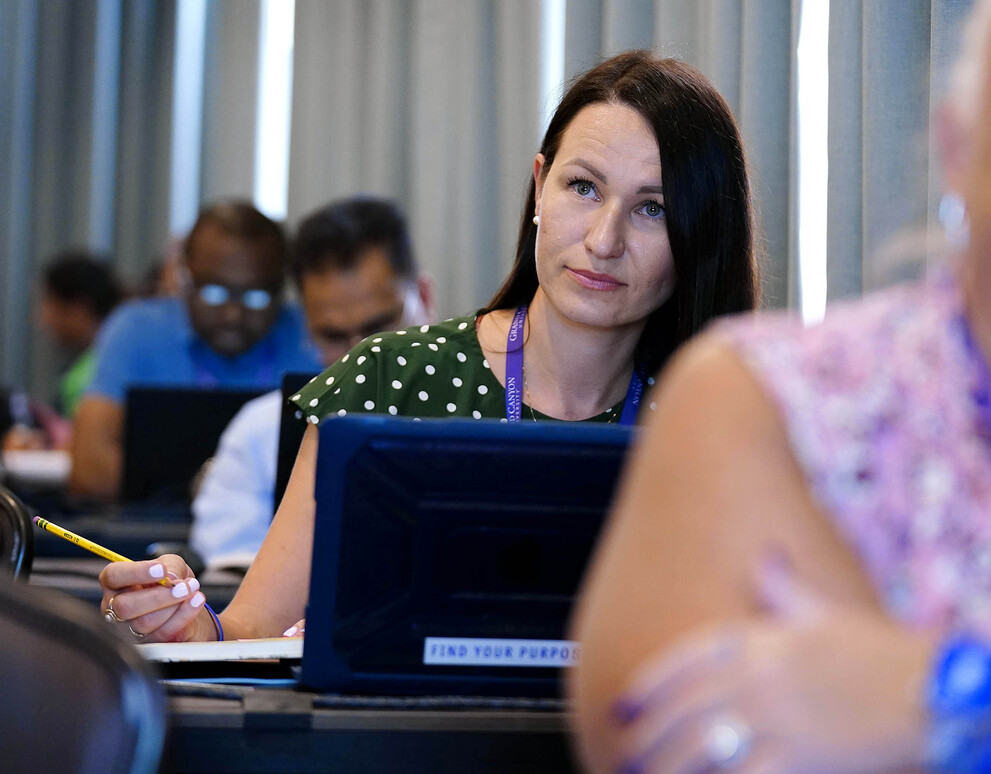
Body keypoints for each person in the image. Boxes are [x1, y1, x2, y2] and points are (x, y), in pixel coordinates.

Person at [569, 1, 991, 772]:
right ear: (958, 144)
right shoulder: (771, 403)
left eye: (650, 209)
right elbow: (664, 738)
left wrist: (960, 702)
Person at [95, 50, 758, 644]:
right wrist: (187, 624)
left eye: (653, 209)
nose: (604, 240)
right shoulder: (387, 380)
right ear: (539, 187)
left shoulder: (721, 423)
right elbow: (247, 633)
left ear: (699, 235)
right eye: (582, 187)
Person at [189, 196, 434, 570]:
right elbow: (233, 577)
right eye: (334, 336)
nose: (361, 357)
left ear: (424, 298)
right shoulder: (261, 432)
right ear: (305, 326)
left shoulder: (499, 402)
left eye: (378, 327)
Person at [69, 200, 322, 502]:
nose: (233, 315)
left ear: (282, 288)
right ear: (183, 278)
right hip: (148, 531)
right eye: (213, 293)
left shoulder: (314, 336)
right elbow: (88, 472)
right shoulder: (136, 331)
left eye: (256, 297)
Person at [38, 250, 122, 419]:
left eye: (49, 302)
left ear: (79, 309)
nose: (42, 318)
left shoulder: (92, 375)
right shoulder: (115, 355)